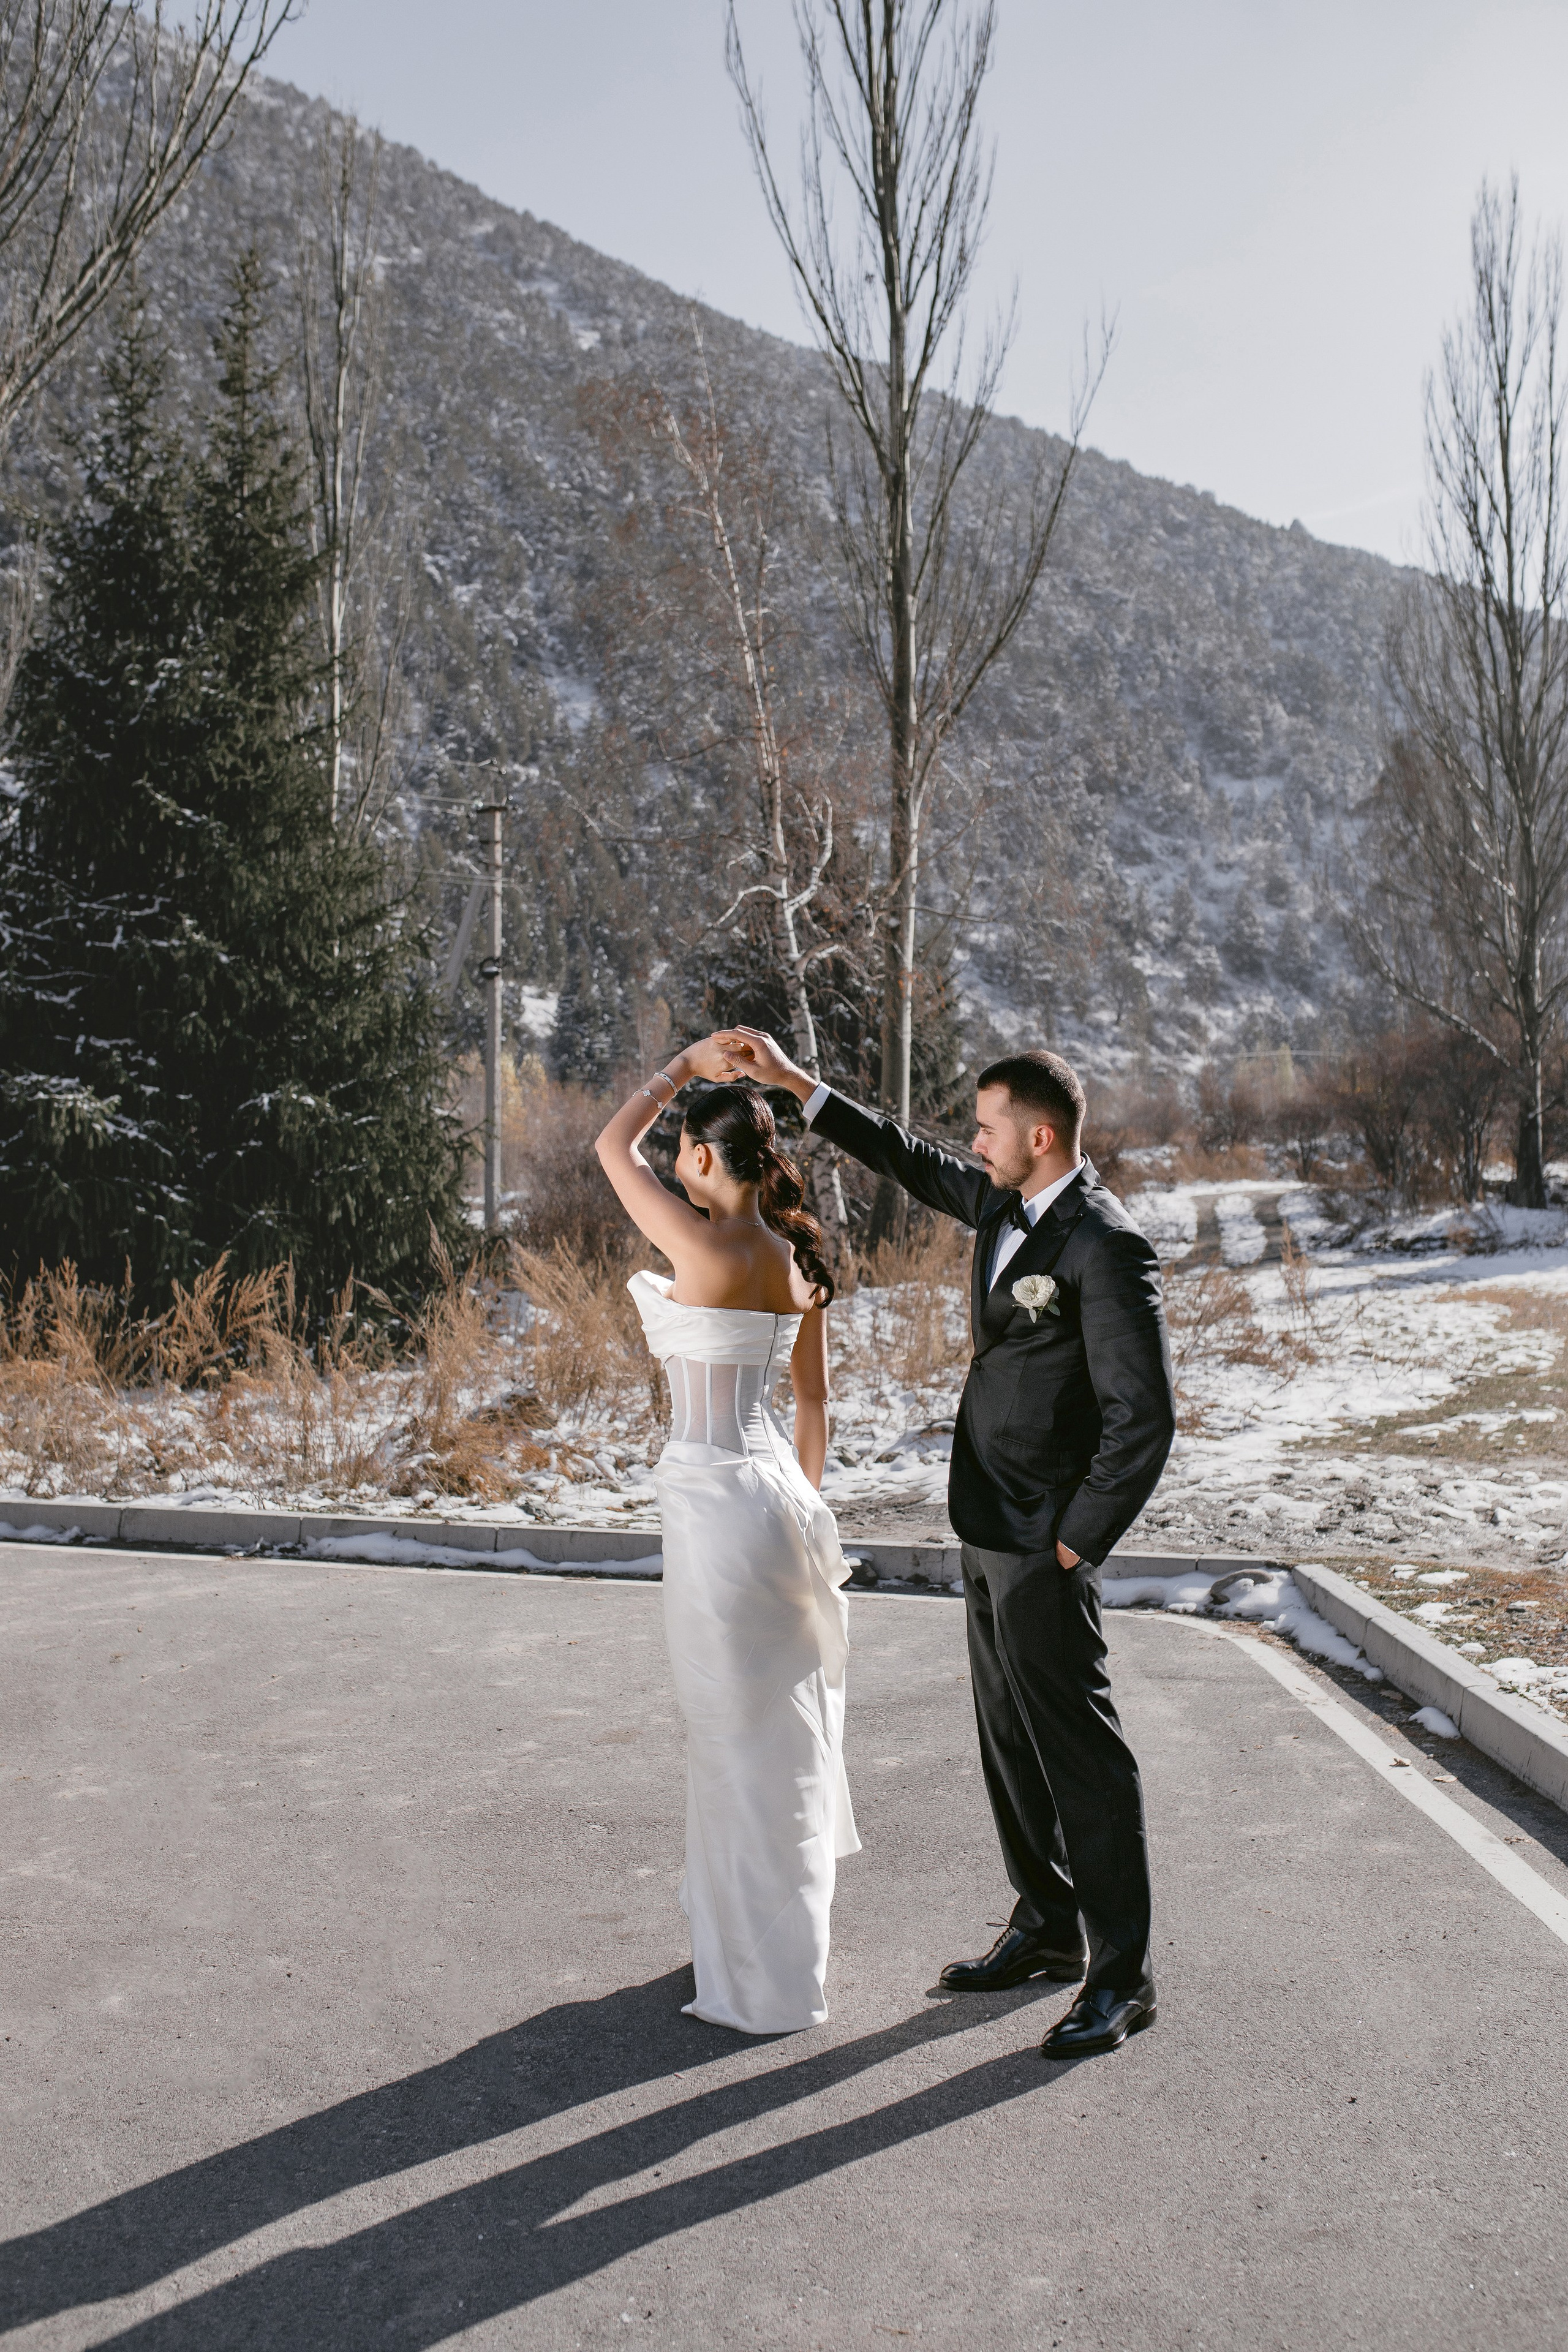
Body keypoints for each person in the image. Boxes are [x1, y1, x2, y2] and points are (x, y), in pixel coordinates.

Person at [715, 1028, 1175, 2059]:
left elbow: (1143, 1419)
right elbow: (908, 1157)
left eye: (988, 1128)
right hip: (986, 1522)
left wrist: (1074, 1545)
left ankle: (1123, 1976)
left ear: (1041, 1136)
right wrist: (798, 1089)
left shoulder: (1106, 1246)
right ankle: (1047, 1924)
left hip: (1044, 1542)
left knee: (1082, 1756)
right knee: (1008, 1740)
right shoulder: (1006, 1204)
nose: (973, 1143)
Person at [594, 1036, 858, 2035]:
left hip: (712, 1509)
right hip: (781, 1503)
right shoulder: (797, 1262)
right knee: (777, 1731)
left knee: (726, 1731)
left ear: (705, 1159)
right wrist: (805, 1503)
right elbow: (814, 1404)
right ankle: (766, 1946)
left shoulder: (699, 1245)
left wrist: (678, 1069)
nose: (669, 1167)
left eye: (683, 1155)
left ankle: (752, 1972)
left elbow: (607, 1147)